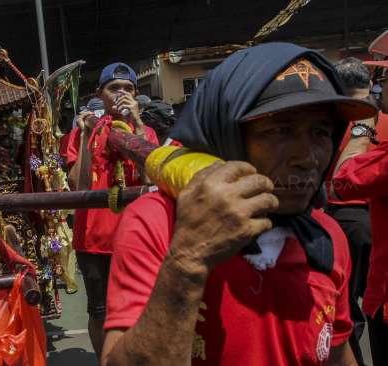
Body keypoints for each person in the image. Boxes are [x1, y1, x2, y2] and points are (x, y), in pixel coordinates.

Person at [101, 43, 377, 365]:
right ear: (227, 133)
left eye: (320, 132)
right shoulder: (158, 223)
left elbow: (336, 351)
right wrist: (189, 261)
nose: (308, 158)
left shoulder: (325, 237)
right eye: (281, 130)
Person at [63, 62, 158, 358]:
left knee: (142, 309)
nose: (121, 94)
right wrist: (85, 136)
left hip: (137, 238)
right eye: (114, 88)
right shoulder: (83, 133)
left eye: (128, 88)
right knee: (99, 312)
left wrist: (139, 125)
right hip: (94, 241)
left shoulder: (148, 133)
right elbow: (78, 185)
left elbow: (153, 180)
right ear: (99, 94)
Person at [332, 57, 388, 365]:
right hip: (370, 224)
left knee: (346, 303)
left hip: (346, 223)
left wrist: (362, 128)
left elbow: (342, 179)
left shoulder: (343, 122)